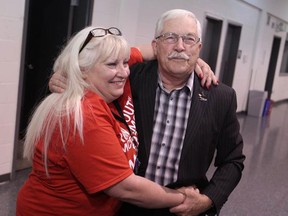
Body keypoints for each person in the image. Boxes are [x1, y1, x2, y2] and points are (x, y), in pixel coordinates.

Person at [16, 26, 207, 216]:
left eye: (125, 63)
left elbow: (145, 51)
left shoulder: (106, 86)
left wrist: (188, 60)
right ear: (82, 70)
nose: (124, 72)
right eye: (112, 65)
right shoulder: (84, 114)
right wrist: (183, 199)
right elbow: (126, 188)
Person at [115, 9, 246, 216]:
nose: (180, 46)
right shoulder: (129, 80)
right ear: (155, 46)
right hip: (127, 206)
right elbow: (92, 68)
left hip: (185, 207)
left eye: (189, 39)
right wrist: (61, 78)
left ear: (199, 48)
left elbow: (233, 160)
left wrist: (208, 199)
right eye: (170, 37)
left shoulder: (221, 97)